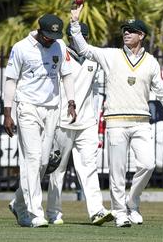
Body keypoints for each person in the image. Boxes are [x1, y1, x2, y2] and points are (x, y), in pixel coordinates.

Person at [69, 5, 163, 227]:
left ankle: (132, 202)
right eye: (124, 30)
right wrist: (75, 23)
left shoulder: (150, 61)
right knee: (117, 171)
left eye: (131, 31)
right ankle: (119, 212)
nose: (126, 33)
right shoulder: (110, 55)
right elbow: (84, 50)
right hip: (115, 121)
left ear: (141, 36)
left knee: (148, 164)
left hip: (141, 121)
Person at [3, 14, 77, 228]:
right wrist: (8, 112)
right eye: (48, 36)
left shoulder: (59, 46)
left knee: (44, 162)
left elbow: (66, 75)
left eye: (55, 36)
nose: (51, 40)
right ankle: (36, 213)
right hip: (28, 107)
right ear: (39, 30)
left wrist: (71, 101)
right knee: (32, 159)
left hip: (52, 108)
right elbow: (11, 80)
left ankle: (18, 203)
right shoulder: (20, 48)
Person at [46, 23, 113, 226]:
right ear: (68, 36)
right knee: (58, 170)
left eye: (83, 36)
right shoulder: (59, 53)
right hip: (62, 121)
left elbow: (94, 91)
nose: (79, 40)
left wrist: (95, 119)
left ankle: (97, 211)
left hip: (86, 123)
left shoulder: (92, 58)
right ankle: (53, 213)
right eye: (76, 36)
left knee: (89, 167)